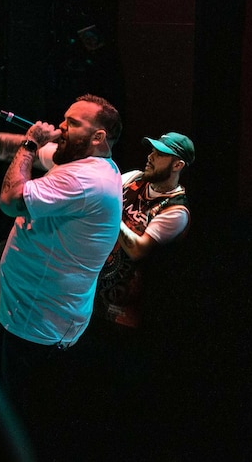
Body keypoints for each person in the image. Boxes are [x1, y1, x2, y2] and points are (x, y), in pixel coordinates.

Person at [0, 93, 123, 462]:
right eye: (64, 119)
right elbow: (15, 147)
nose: (62, 127)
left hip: (38, 330)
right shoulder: (78, 161)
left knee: (22, 430)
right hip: (30, 316)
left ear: (98, 137)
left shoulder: (87, 180)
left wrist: (32, 142)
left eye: (72, 123)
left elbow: (11, 198)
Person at [69, 131, 195, 460]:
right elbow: (102, 189)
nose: (151, 156)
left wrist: (108, 211)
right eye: (151, 149)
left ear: (178, 164)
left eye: (160, 154)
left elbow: (138, 249)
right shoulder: (134, 179)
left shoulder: (176, 211)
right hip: (94, 302)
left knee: (116, 400)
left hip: (131, 318)